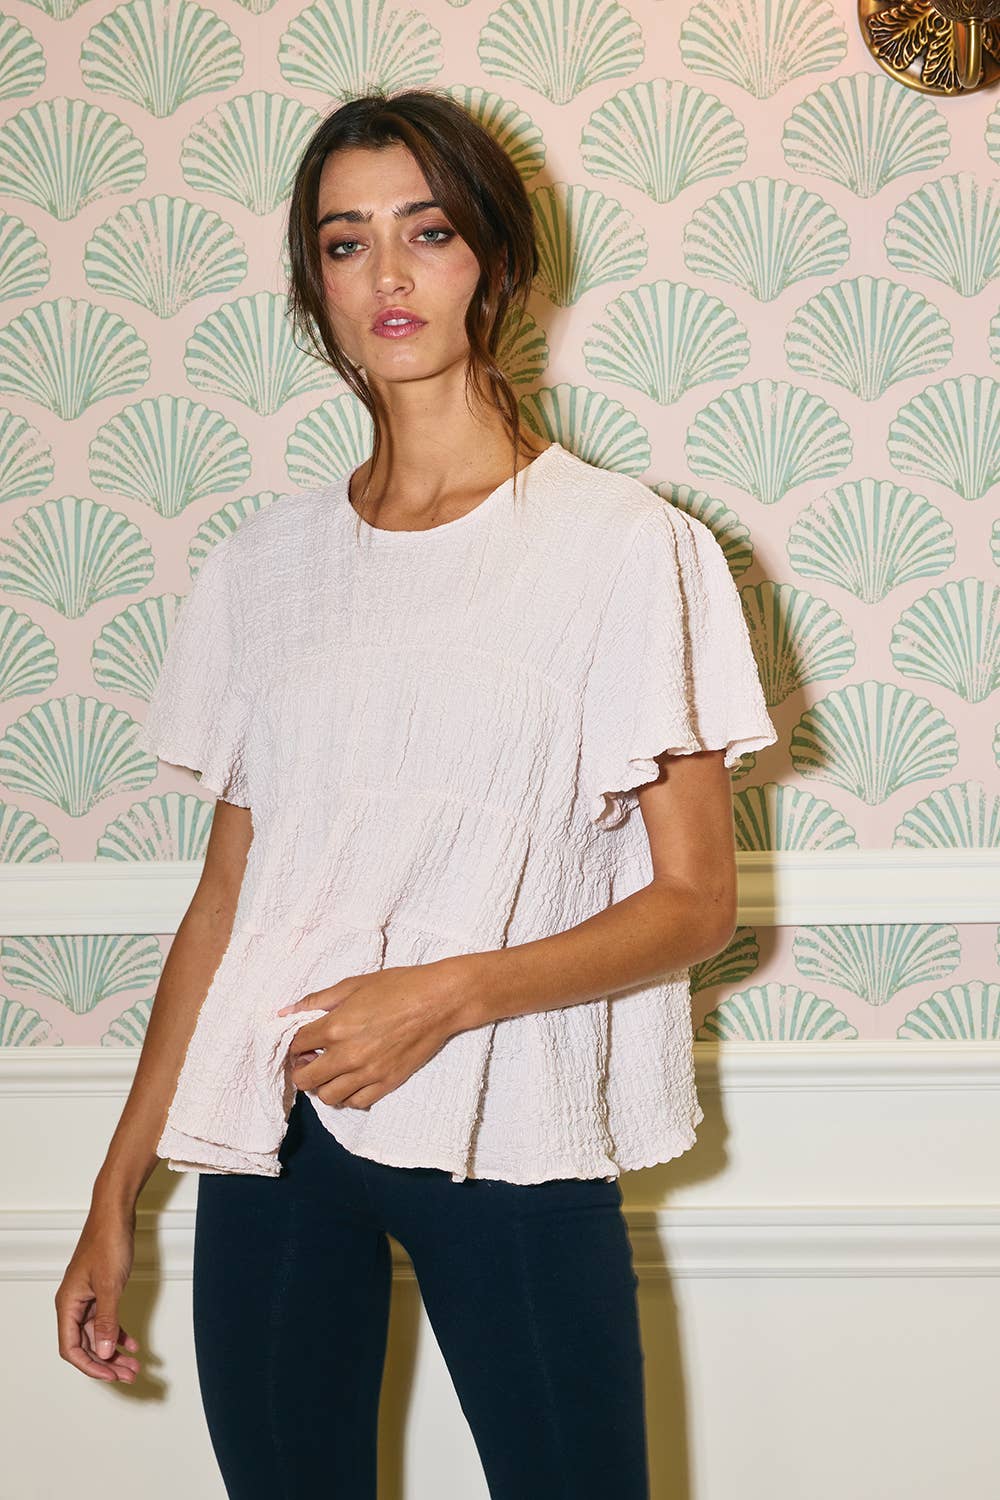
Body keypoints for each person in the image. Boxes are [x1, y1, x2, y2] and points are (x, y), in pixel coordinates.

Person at [54, 89, 777, 1498]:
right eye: (346, 242)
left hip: (513, 1121)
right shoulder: (262, 570)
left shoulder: (628, 550)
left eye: (427, 232)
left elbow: (695, 905)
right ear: (313, 286)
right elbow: (226, 901)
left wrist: (446, 995)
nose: (387, 273)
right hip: (274, 1137)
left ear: (494, 263)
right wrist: (115, 1188)